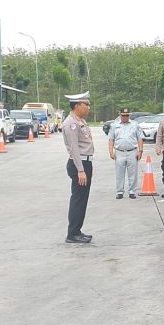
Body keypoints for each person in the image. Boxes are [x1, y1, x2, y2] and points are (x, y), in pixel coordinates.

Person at [63, 92, 95, 243]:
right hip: (79, 164)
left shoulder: (79, 121)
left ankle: (77, 230)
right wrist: (81, 170)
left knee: (82, 199)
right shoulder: (72, 123)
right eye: (85, 105)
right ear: (77, 106)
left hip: (85, 163)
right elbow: (74, 148)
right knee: (78, 199)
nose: (88, 107)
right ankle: (72, 234)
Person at [108, 107, 144, 199]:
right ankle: (119, 192)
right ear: (120, 115)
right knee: (119, 173)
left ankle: (132, 191)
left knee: (133, 173)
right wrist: (111, 151)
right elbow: (111, 139)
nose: (125, 117)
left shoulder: (135, 125)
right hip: (119, 152)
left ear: (129, 115)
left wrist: (140, 151)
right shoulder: (114, 125)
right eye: (123, 115)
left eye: (127, 115)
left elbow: (140, 138)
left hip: (132, 151)